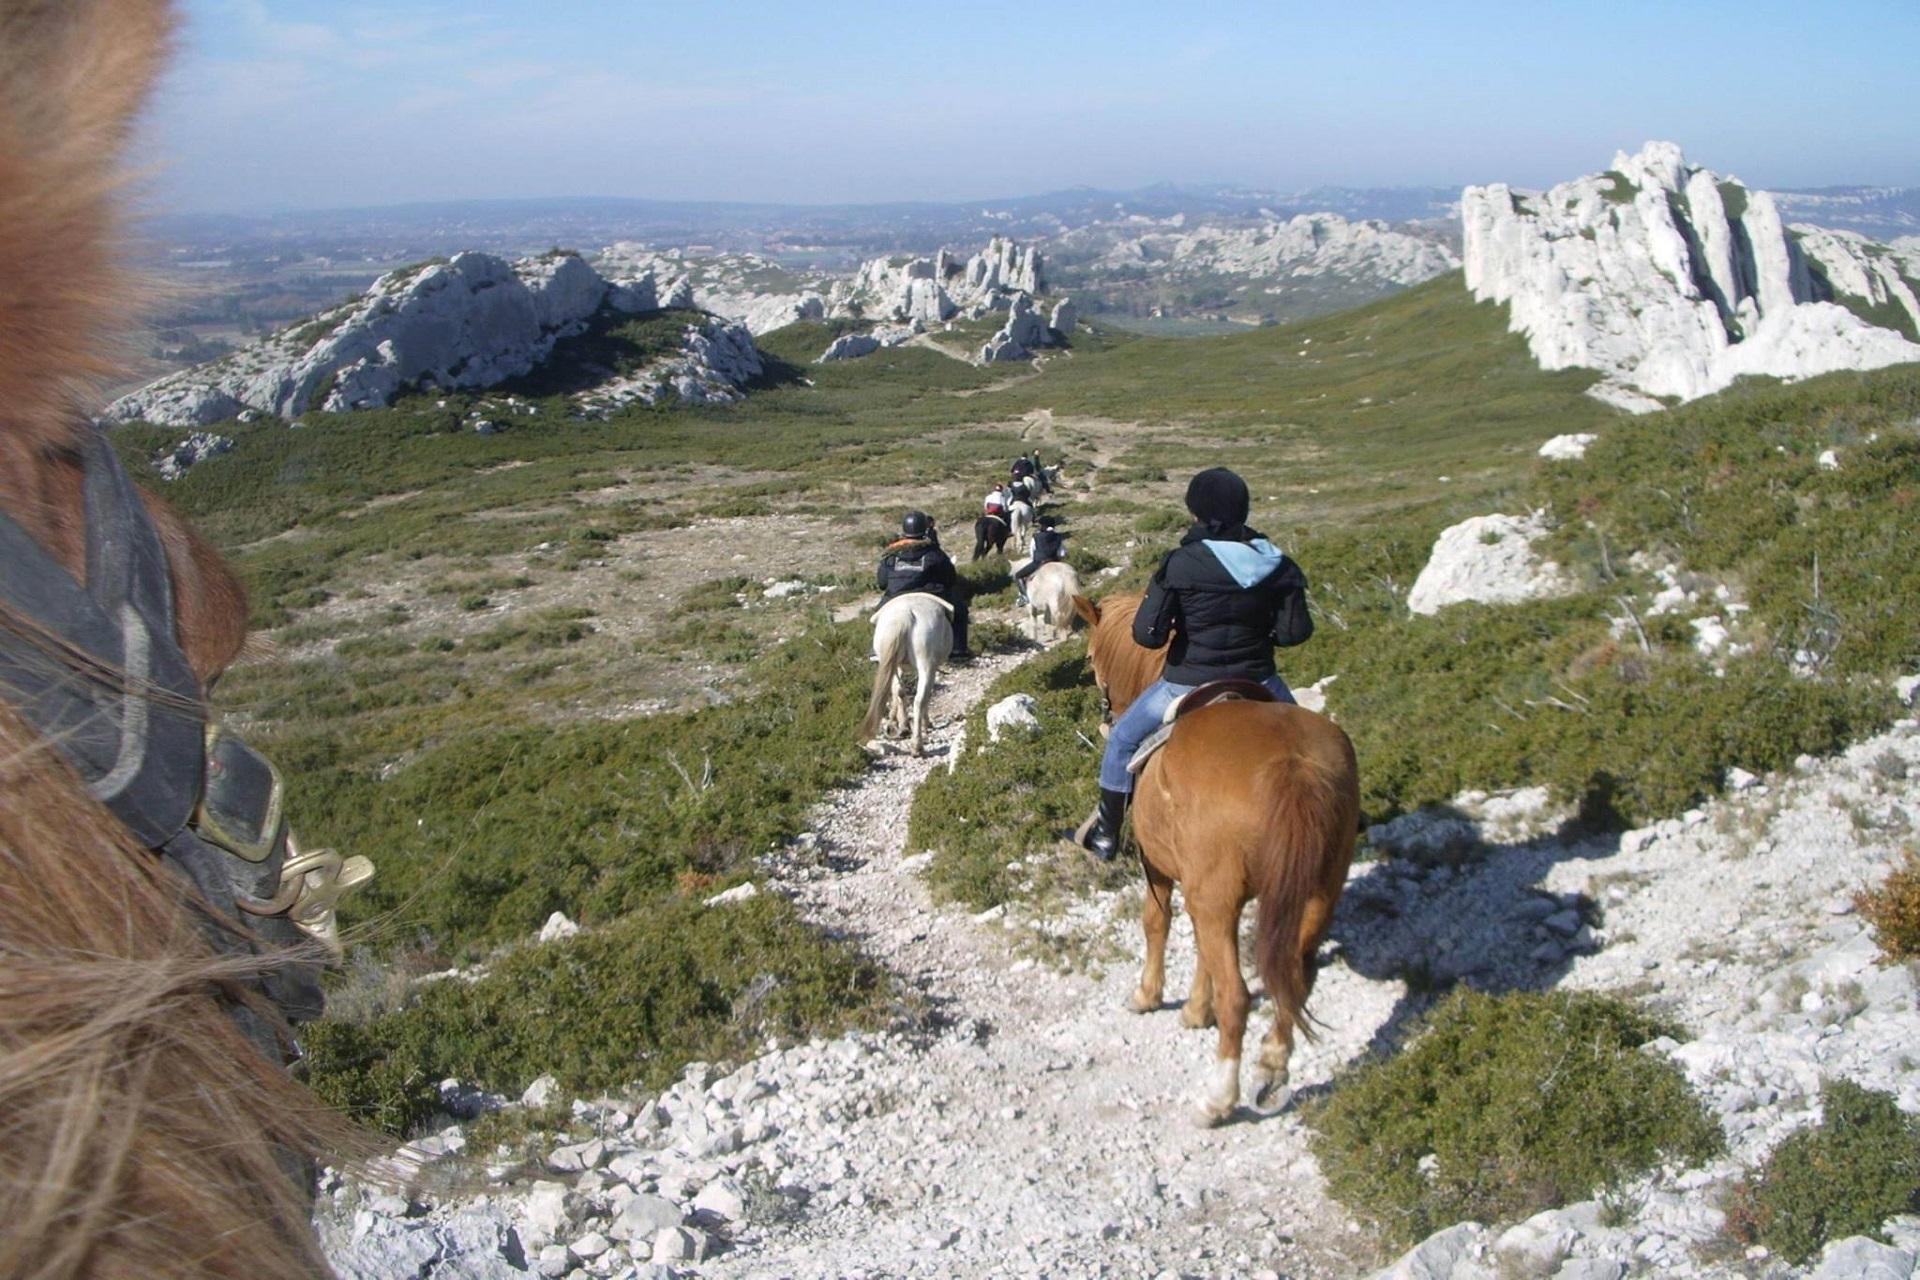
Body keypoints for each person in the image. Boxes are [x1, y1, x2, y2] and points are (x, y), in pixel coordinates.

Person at [1078, 468, 1312, 860]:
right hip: (1260, 678)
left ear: (1195, 513)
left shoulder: (1180, 563)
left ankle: (1106, 834)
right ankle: (1343, 811)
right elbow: (1294, 632)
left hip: (1186, 683)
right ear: (1243, 511)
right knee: (1308, 743)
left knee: (1121, 741)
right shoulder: (1277, 563)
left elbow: (1147, 635)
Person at [877, 510, 973, 660]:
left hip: (895, 594)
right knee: (960, 610)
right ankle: (959, 649)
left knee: (877, 616)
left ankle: (875, 651)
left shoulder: (891, 554)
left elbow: (882, 583)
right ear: (924, 528)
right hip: (930, 593)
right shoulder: (934, 552)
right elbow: (950, 578)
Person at [1013, 514, 1068, 604]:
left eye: (1040, 525)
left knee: (1018, 576)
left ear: (1043, 525)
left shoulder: (1036, 536)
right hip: (1055, 561)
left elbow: (1032, 551)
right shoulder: (1058, 536)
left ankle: (1024, 597)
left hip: (1039, 562)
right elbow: (1062, 553)